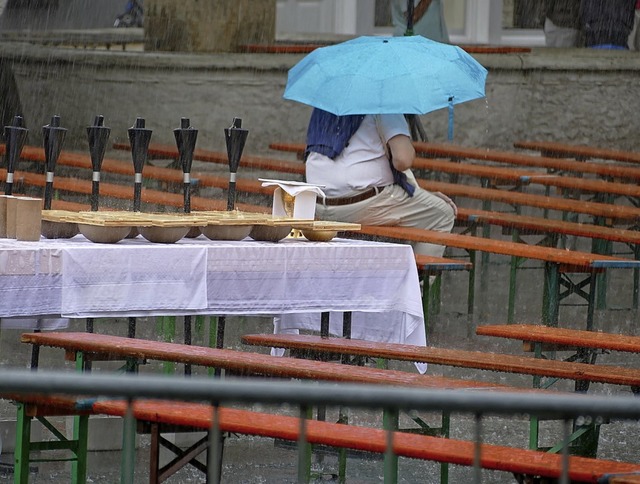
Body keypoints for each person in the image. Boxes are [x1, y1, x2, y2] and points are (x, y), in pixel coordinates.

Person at [305, 108, 457, 259]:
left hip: (316, 204)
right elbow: (403, 160)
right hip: (360, 204)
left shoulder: (325, 106)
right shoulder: (384, 101)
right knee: (442, 213)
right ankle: (417, 282)